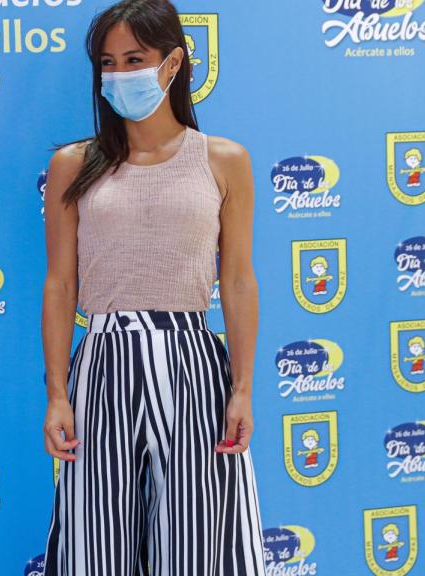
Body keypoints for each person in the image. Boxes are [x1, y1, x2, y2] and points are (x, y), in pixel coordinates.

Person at [40, 1, 266, 574]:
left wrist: (241, 388)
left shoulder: (223, 160)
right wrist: (59, 394)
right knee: (97, 540)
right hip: (104, 357)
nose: (119, 75)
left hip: (192, 359)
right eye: (108, 63)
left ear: (173, 65)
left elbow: (237, 280)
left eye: (134, 59)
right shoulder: (73, 164)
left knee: (196, 539)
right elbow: (61, 284)